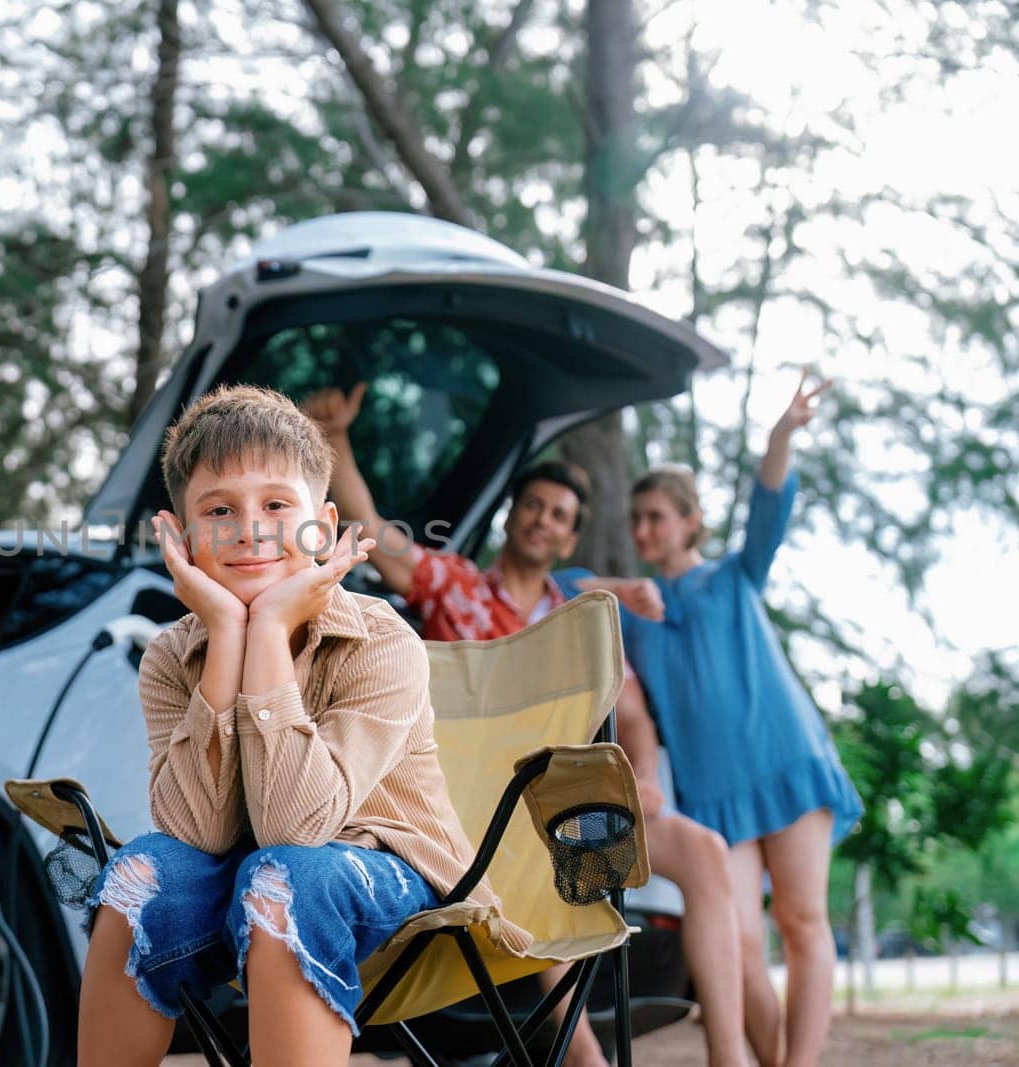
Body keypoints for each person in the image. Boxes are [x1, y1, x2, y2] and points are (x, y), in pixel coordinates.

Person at [77, 384, 532, 1067]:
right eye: (220, 509)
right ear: (179, 536)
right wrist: (231, 630)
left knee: (286, 873)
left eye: (276, 505)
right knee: (141, 871)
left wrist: (268, 636)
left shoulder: (381, 641)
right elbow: (196, 832)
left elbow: (297, 828)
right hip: (243, 869)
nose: (251, 528)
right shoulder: (174, 654)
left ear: (320, 527)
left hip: (394, 882)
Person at [305, 383, 749, 1067]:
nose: (543, 519)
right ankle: (590, 1061)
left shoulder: (574, 620)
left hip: (571, 809)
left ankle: (730, 1057)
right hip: (482, 814)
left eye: (560, 514)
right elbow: (370, 525)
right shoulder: (454, 585)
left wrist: (649, 779)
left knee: (706, 852)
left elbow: (632, 714)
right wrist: (335, 440)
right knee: (540, 860)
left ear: (570, 537)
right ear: (515, 517)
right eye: (534, 506)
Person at [607, 371, 863, 1067]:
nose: (644, 529)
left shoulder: (734, 575)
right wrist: (625, 589)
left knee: (803, 922)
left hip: (786, 762)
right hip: (717, 796)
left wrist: (781, 435)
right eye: (637, 519)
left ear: (691, 520)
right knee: (743, 944)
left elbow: (769, 505)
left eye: (657, 515)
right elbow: (559, 589)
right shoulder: (632, 611)